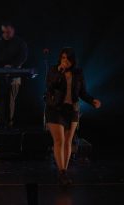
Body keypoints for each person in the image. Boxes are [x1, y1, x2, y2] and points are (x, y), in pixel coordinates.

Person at [45, 47, 102, 186]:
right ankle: (62, 172)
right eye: (63, 58)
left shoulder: (78, 72)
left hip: (72, 110)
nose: (65, 61)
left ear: (72, 60)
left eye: (67, 58)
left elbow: (82, 92)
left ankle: (64, 169)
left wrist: (92, 100)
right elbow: (50, 87)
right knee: (59, 140)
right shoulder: (54, 70)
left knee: (68, 141)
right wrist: (60, 72)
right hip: (56, 109)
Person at [0, 21, 28, 128]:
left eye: (9, 32)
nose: (7, 34)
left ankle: (9, 124)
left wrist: (13, 65)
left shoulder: (20, 42)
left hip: (13, 76)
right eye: (5, 32)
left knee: (9, 102)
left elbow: (23, 56)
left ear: (13, 30)